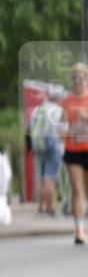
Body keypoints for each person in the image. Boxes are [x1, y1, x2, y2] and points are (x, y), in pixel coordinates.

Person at [62, 63, 88, 245]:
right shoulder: (66, 100)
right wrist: (63, 128)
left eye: (81, 78)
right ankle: (79, 230)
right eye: (75, 78)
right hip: (73, 149)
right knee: (77, 189)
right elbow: (60, 124)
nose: (78, 81)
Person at [29, 86, 65, 217]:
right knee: (50, 177)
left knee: (41, 178)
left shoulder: (39, 109)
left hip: (38, 147)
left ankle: (41, 207)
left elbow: (30, 127)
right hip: (53, 147)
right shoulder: (59, 111)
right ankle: (50, 208)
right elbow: (63, 131)